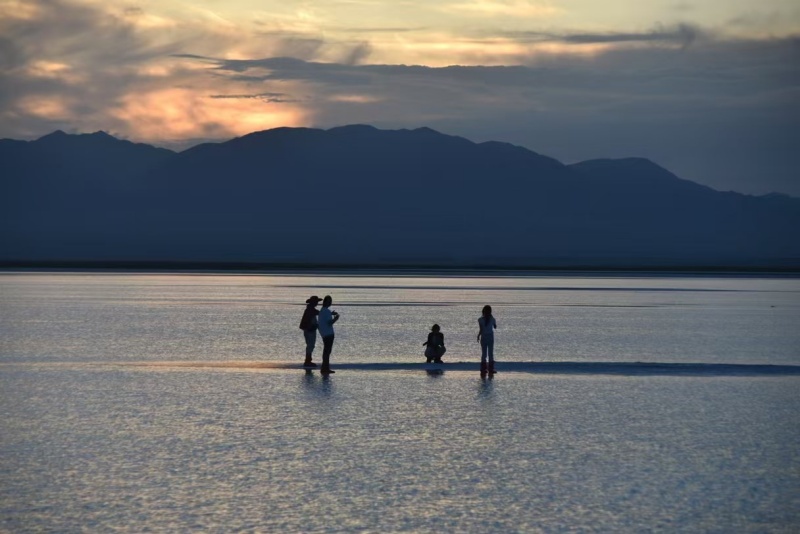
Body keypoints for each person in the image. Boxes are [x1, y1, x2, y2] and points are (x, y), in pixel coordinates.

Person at [317, 295, 340, 374]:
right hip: (328, 334)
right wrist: (336, 318)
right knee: (327, 351)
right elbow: (330, 323)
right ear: (326, 302)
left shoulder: (323, 310)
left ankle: (324, 367)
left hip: (324, 333)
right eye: (330, 301)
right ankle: (325, 368)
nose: (331, 303)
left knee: (326, 351)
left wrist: (331, 313)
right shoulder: (326, 311)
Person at [299, 295, 322, 367]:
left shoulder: (309, 309)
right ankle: (307, 361)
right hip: (310, 329)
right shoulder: (310, 310)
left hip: (308, 329)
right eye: (316, 302)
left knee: (310, 345)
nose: (317, 303)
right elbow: (319, 313)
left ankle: (308, 360)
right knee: (310, 345)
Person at [477, 305, 497, 375]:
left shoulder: (480, 319)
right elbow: (495, 326)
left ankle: (483, 368)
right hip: (489, 336)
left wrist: (478, 335)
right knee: (490, 353)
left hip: (484, 336)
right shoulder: (492, 319)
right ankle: (490, 368)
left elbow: (481, 329)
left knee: (484, 353)